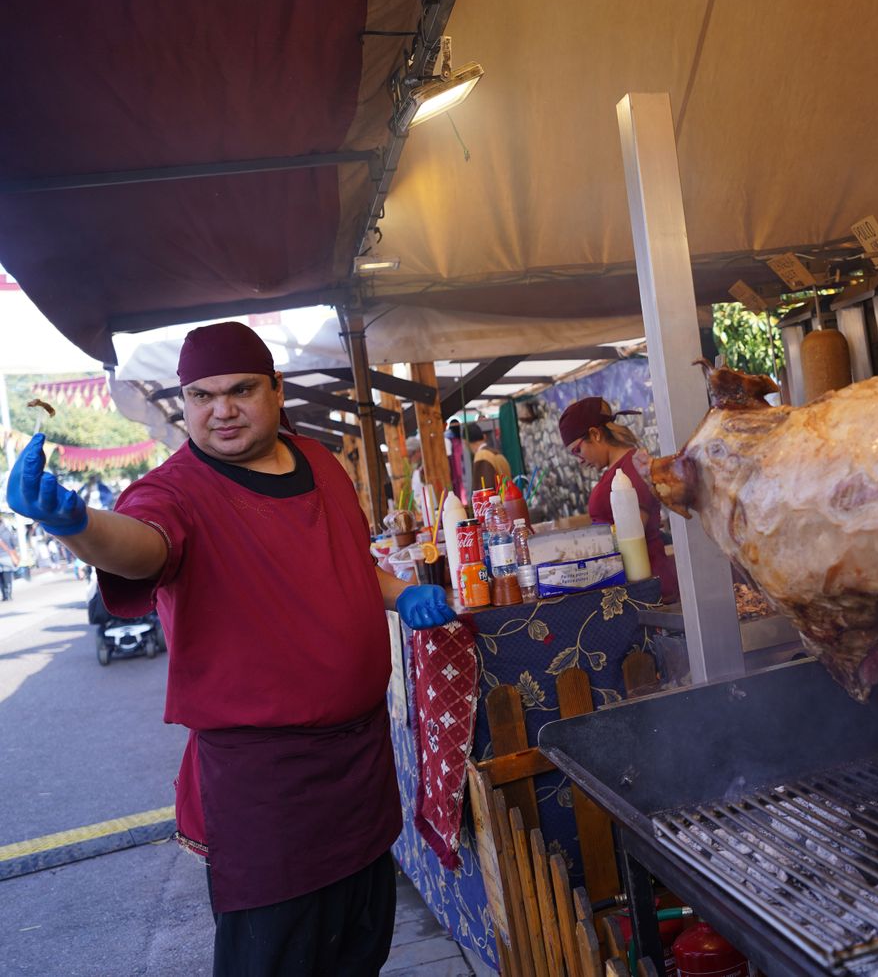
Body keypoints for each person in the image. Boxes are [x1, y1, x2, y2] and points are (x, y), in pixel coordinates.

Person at [5, 321, 456, 977]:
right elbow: (142, 545)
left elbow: (349, 562)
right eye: (200, 395)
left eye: (240, 390)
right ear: (183, 402)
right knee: (274, 958)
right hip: (265, 783)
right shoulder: (176, 489)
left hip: (360, 762)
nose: (220, 409)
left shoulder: (322, 464)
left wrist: (398, 593)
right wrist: (79, 528)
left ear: (276, 390)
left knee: (362, 944)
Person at [559, 397, 679, 602]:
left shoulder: (630, 470)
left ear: (595, 434)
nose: (579, 460)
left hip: (647, 586)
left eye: (577, 450)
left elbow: (633, 533)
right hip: (640, 583)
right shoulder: (623, 469)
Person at [467, 421, 512, 491]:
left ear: (466, 442)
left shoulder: (482, 456)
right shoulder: (497, 453)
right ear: (484, 437)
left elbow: (484, 490)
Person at [0, 515, 18, 601]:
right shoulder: (7, 531)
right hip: (6, 556)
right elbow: (14, 543)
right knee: (7, 576)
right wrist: (15, 554)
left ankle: (4, 595)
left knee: (0, 578)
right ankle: (9, 594)